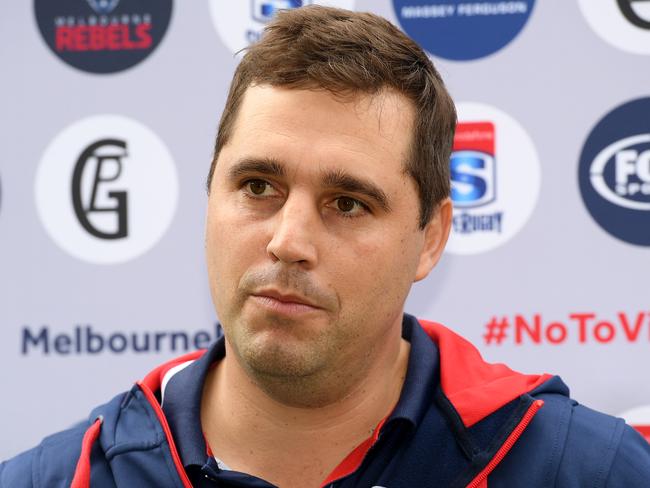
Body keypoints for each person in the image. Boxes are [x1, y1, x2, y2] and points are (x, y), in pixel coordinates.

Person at [2, 5, 650, 487]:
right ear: (208, 198)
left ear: (431, 239)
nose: (289, 242)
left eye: (348, 204)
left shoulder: (583, 469)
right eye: (258, 186)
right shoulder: (64, 477)